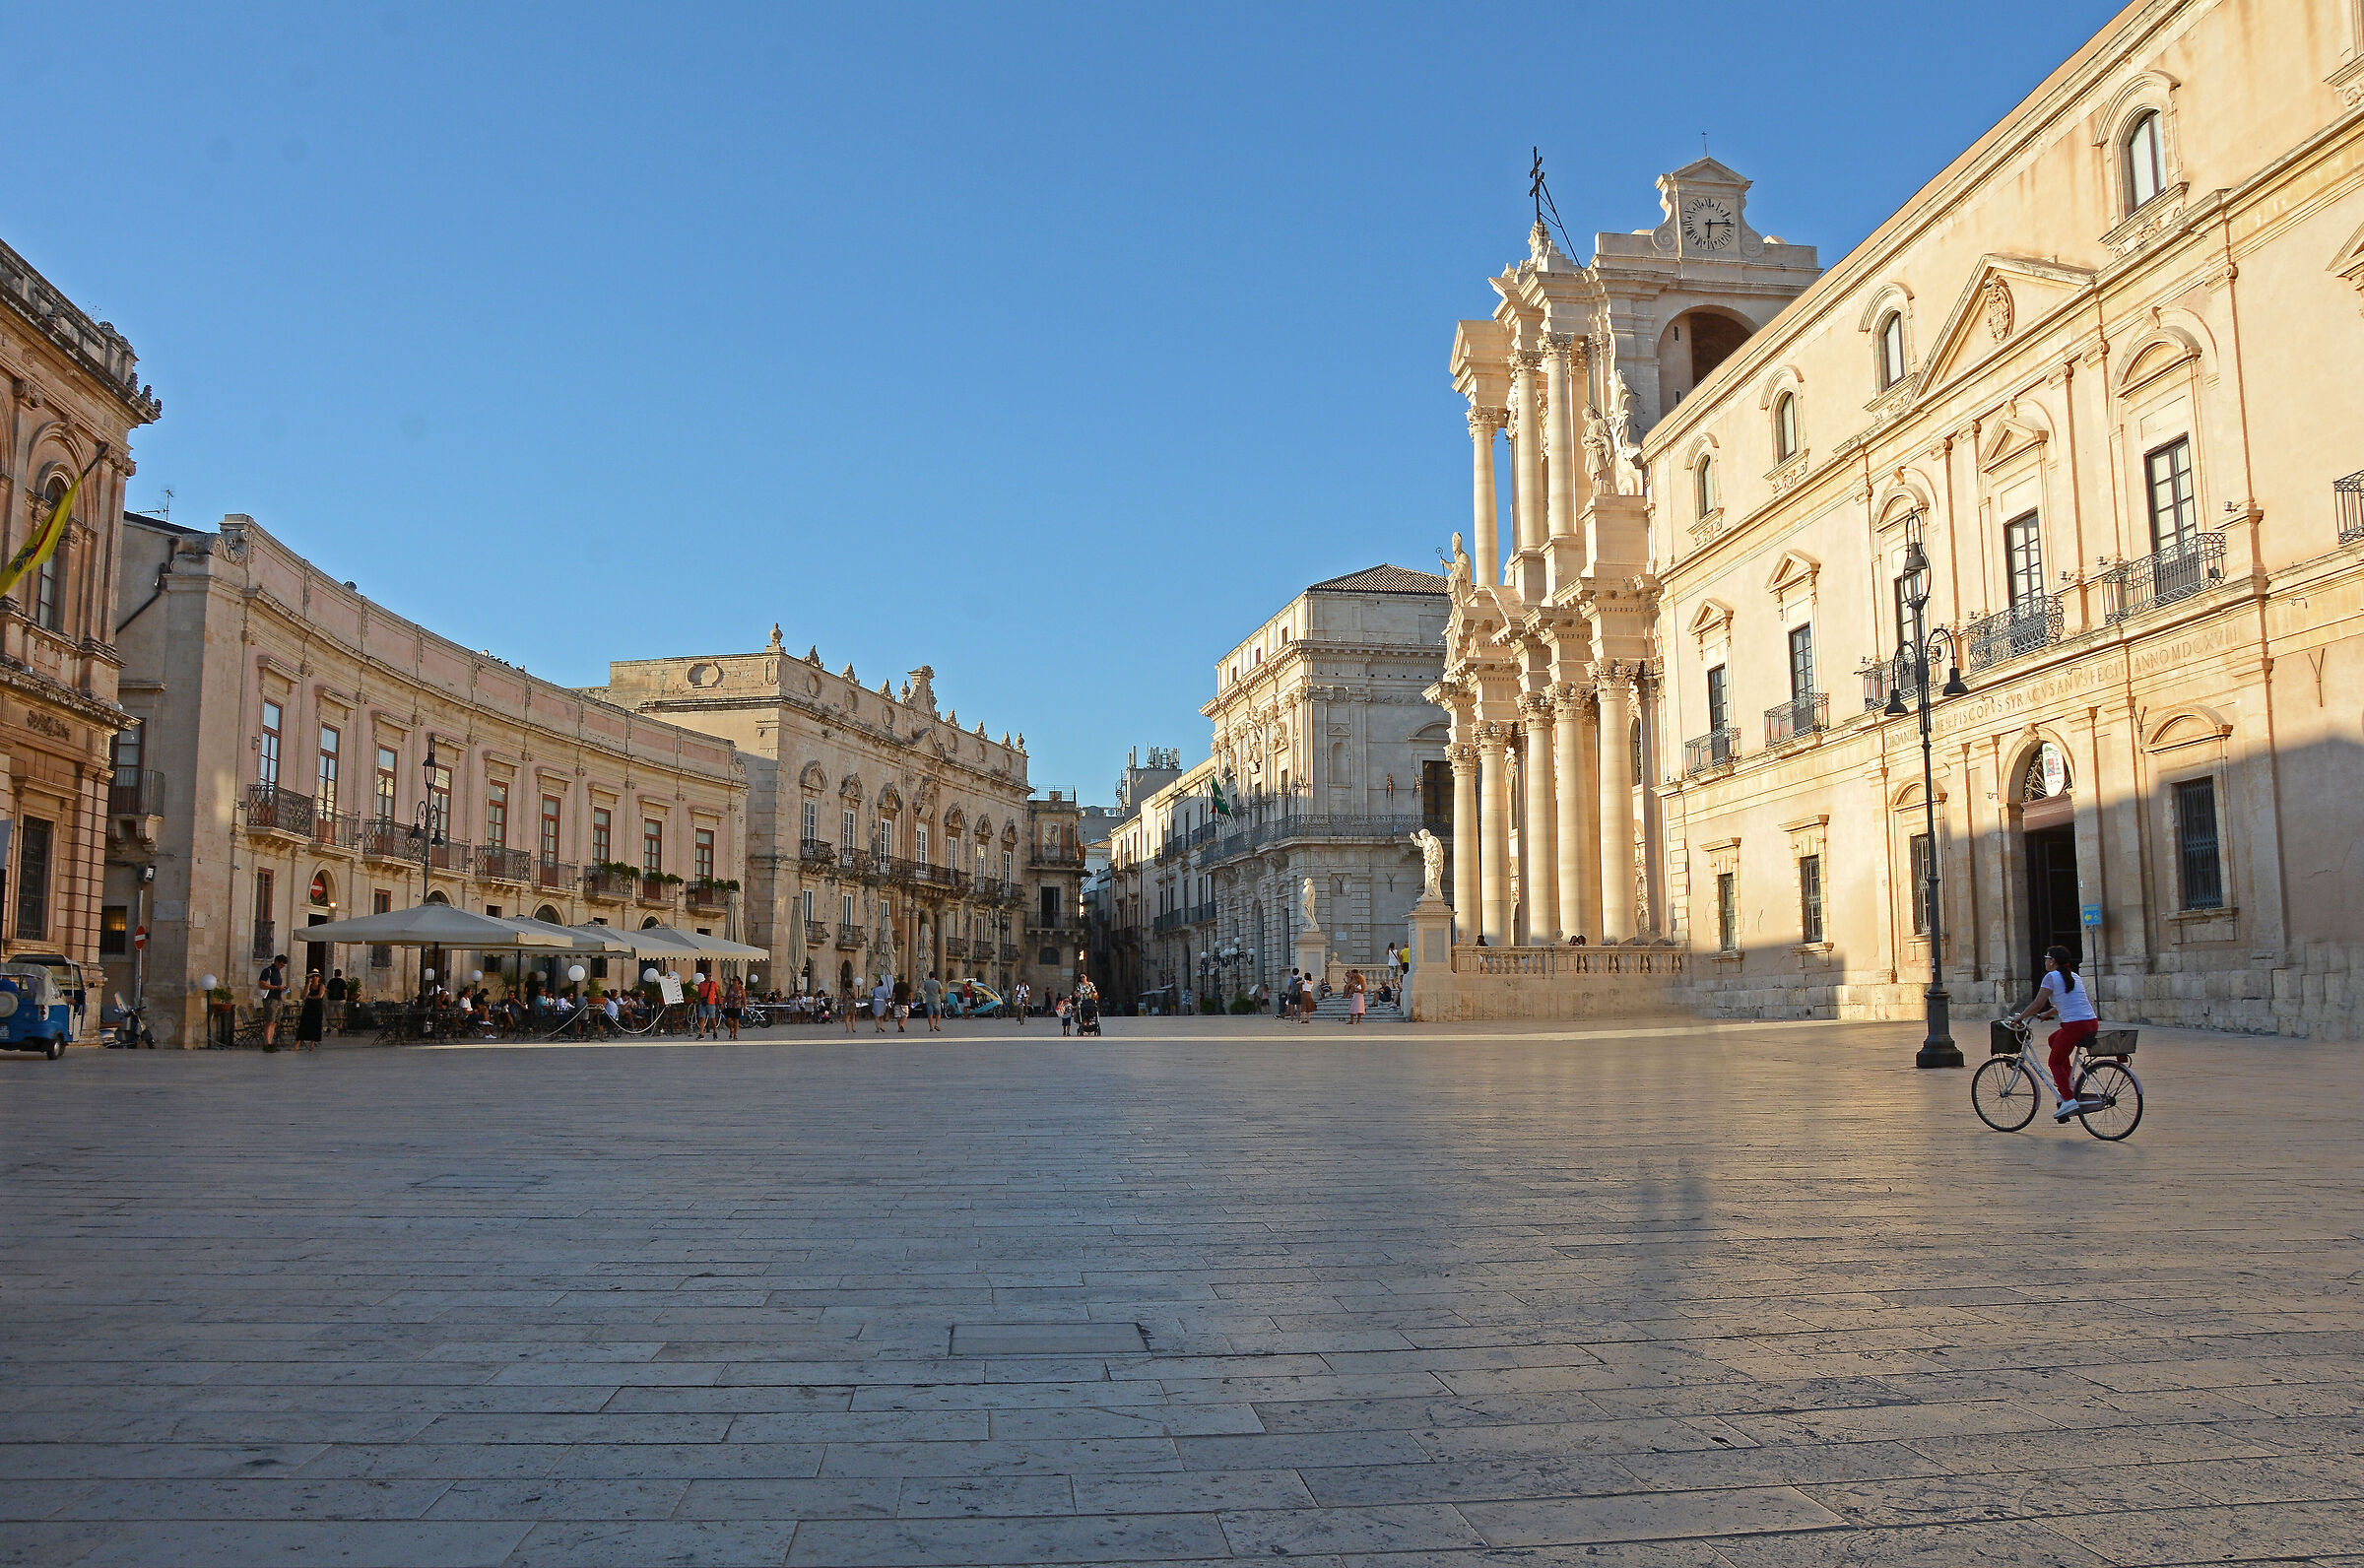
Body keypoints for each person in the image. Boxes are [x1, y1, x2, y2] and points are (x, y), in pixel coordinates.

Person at [2013, 944, 2101, 1122]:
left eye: (2046, 958)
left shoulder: (2051, 977)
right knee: (2054, 1040)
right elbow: (2069, 1001)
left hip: (2075, 1025)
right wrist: (2048, 1014)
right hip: (2091, 1023)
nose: (2045, 962)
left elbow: (2038, 1003)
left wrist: (2020, 1017)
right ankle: (2068, 1081)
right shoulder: (2074, 976)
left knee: (2054, 1062)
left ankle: (2068, 1099)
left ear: (2052, 961)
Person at [257, 953, 289, 1051]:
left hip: (277, 998)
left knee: (274, 1022)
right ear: (276, 962)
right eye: (281, 965)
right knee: (269, 1021)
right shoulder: (268, 971)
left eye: (284, 966)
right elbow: (262, 984)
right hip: (270, 999)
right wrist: (276, 987)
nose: (282, 967)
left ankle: (270, 1042)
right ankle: (267, 1043)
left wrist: (282, 988)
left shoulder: (278, 972)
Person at [296, 970, 326, 1052]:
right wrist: (308, 984)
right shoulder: (308, 986)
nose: (314, 978)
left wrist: (311, 998)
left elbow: (320, 995)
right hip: (308, 1007)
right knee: (304, 1024)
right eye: (313, 976)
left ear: (319, 977)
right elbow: (305, 995)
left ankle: (312, 1045)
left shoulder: (321, 986)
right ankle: (297, 1045)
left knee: (315, 1025)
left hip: (317, 1007)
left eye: (316, 976)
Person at [324, 968, 348, 1035]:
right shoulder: (342, 982)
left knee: (330, 1015)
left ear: (335, 974)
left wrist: (328, 997)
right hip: (340, 1000)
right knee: (339, 1015)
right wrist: (345, 999)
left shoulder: (331, 981)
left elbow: (328, 991)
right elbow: (345, 992)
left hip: (332, 1000)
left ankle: (329, 1028)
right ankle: (340, 1028)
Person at [724, 976, 745, 1041]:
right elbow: (726, 996)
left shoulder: (741, 988)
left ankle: (735, 1034)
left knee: (736, 1020)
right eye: (733, 980)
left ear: (738, 981)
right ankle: (731, 1030)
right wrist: (722, 1003)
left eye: (735, 980)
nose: (733, 981)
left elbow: (744, 998)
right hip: (730, 1006)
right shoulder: (730, 988)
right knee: (728, 1020)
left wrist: (745, 1006)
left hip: (737, 1006)